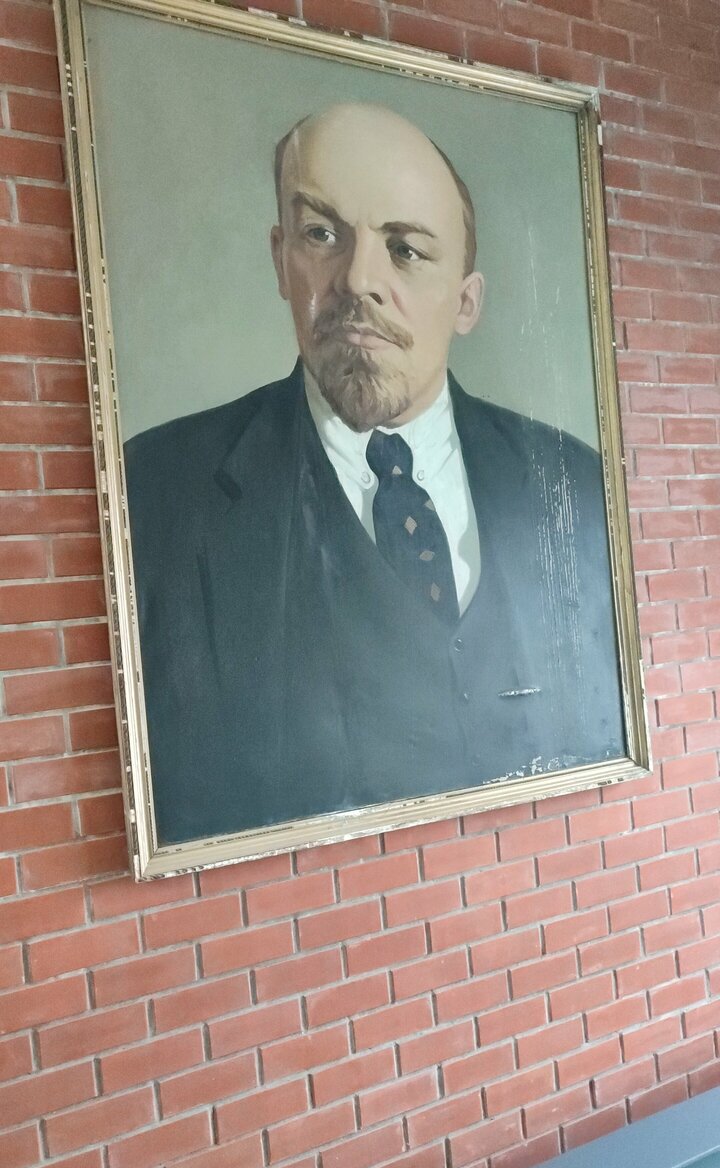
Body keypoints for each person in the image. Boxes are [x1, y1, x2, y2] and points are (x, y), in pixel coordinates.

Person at [125, 102, 625, 846]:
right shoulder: (155, 494)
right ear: (280, 260)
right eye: (322, 235)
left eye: (405, 249)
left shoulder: (576, 485)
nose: (357, 279)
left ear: (466, 302)